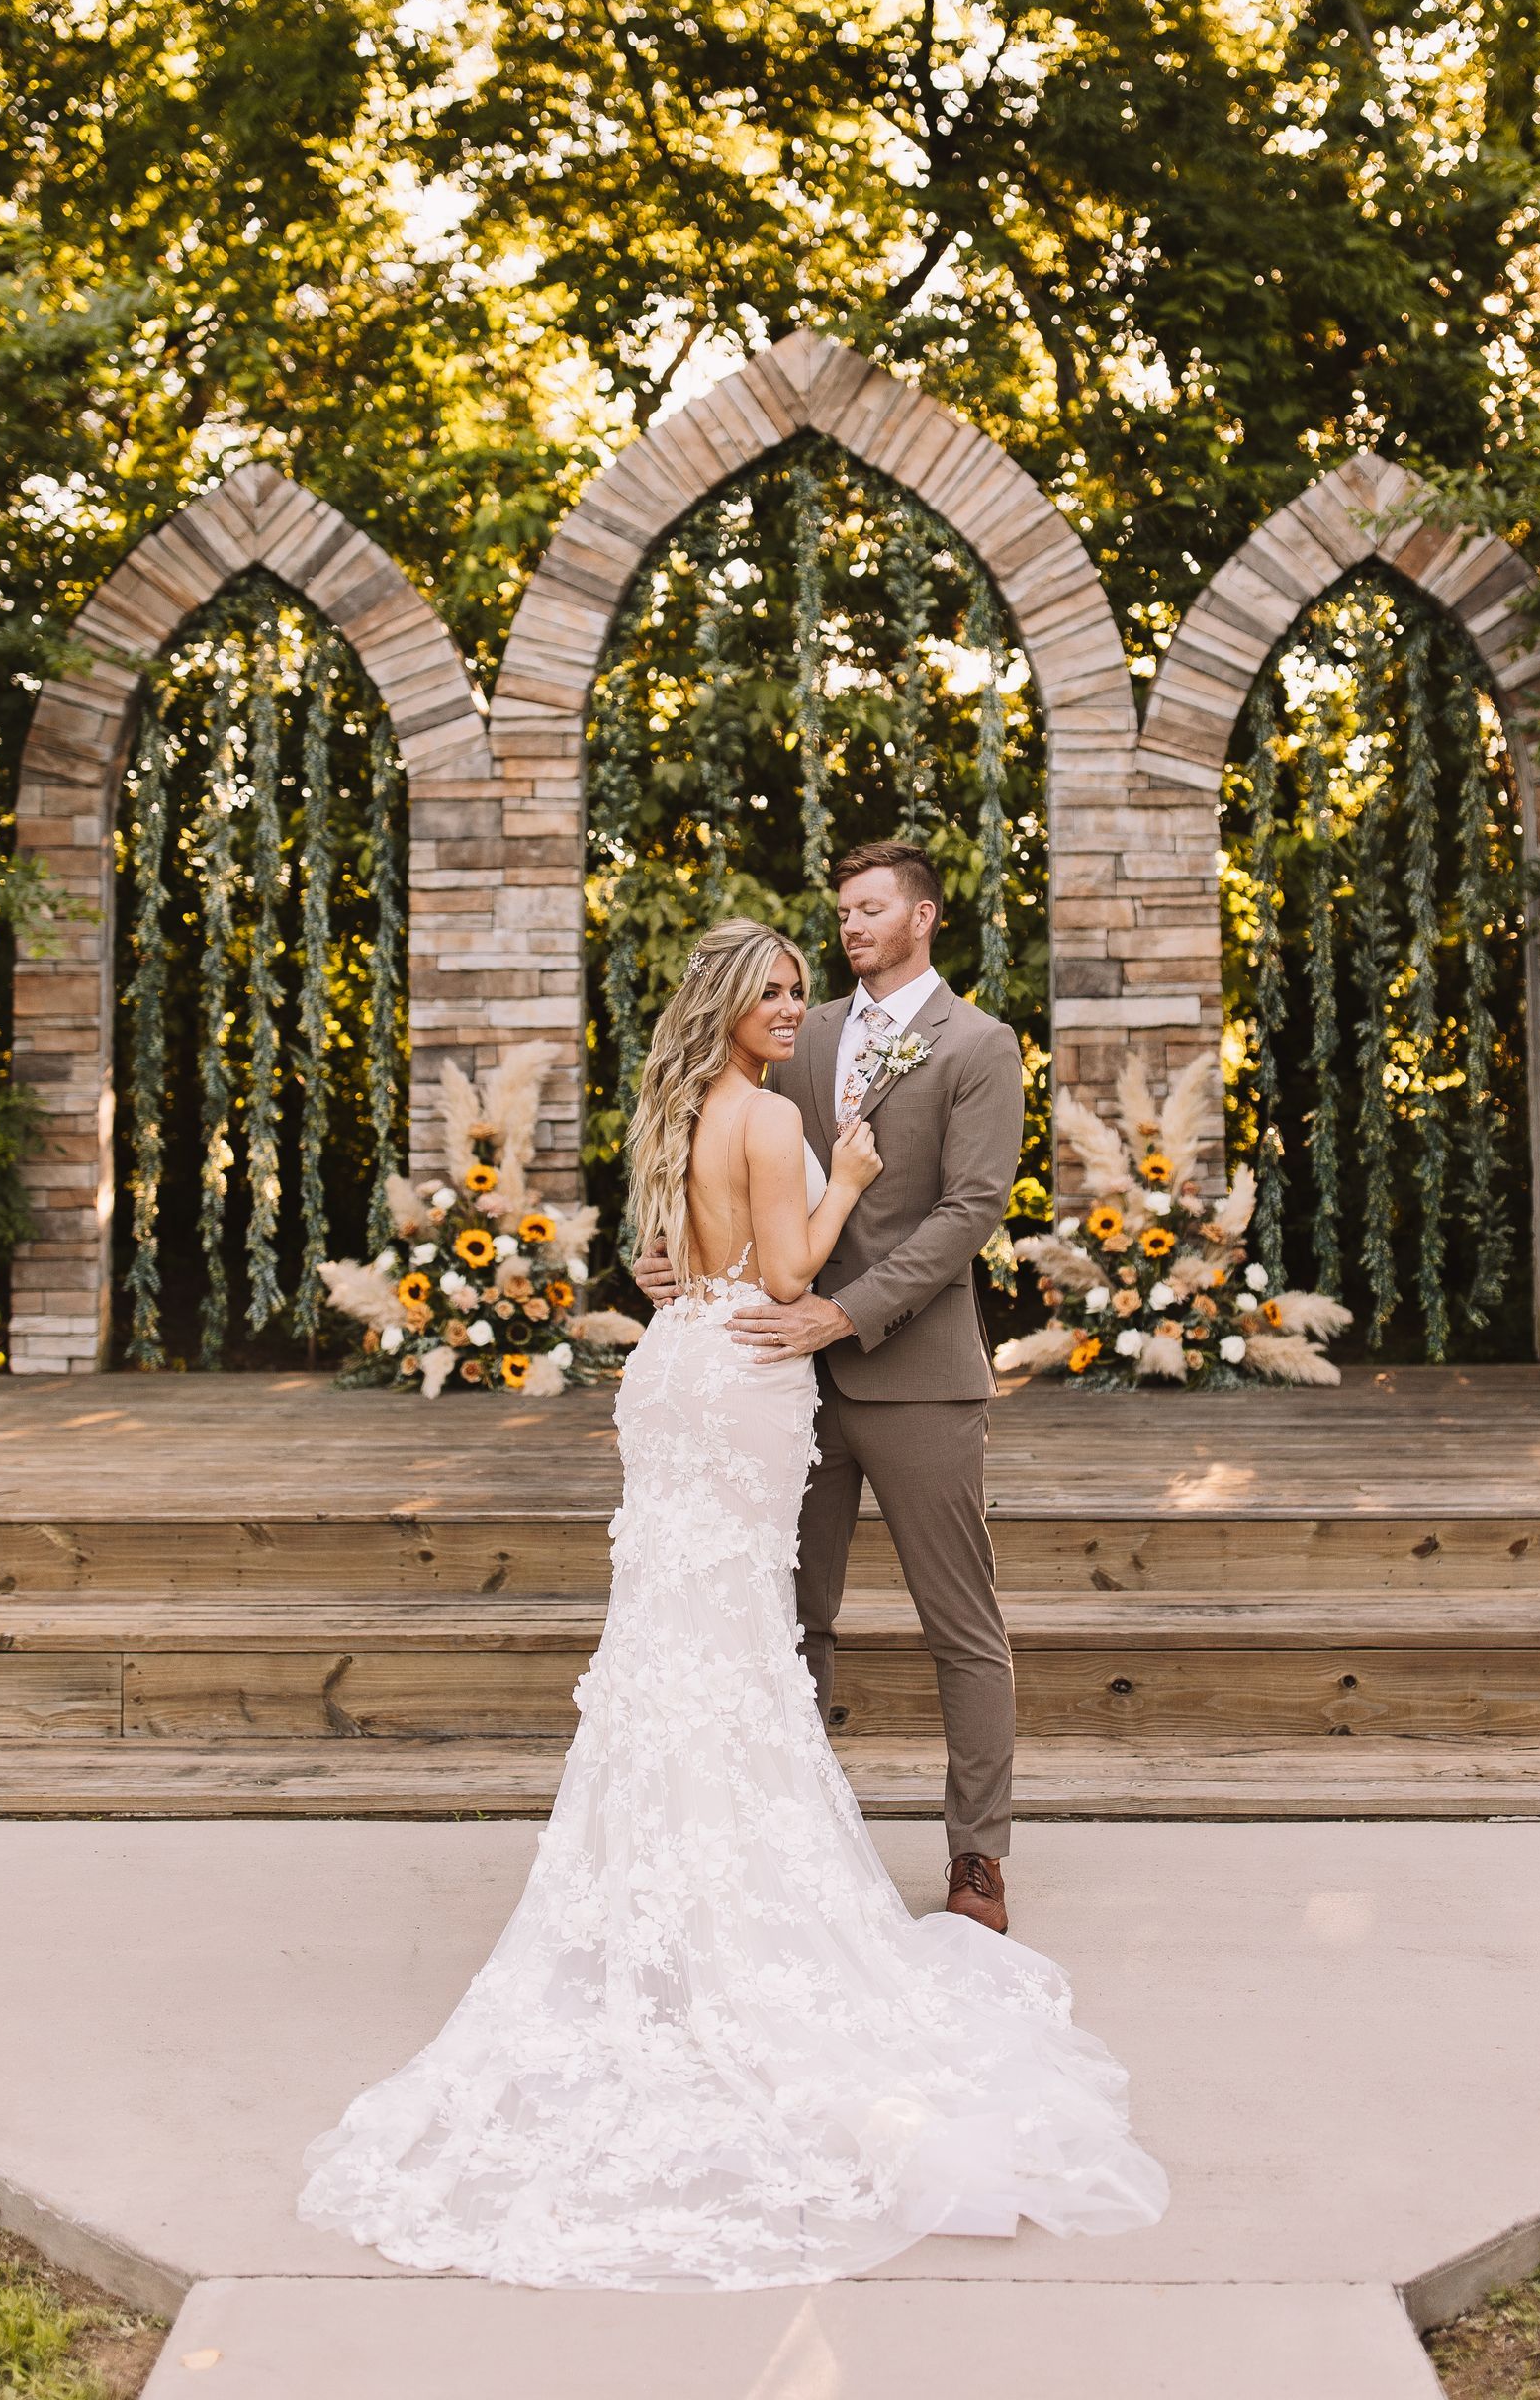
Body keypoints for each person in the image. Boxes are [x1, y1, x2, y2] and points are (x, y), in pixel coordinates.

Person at [298, 916, 1166, 2289]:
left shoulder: (673, 1111)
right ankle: (729, 1912)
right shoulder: (764, 1119)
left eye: (795, 990)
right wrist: (857, 1173)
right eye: (767, 993)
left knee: (681, 1643)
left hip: (676, 1373)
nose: (787, 1007)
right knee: (730, 1643)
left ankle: (663, 1898)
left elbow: (676, 1267)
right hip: (748, 1373)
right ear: (727, 1005)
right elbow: (785, 1277)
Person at [634, 841, 1022, 1932]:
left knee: (961, 1625)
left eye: (870, 910)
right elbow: (710, 1161)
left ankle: (978, 1859)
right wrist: (661, 1256)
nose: (849, 927)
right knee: (787, 1619)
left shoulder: (980, 1047)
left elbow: (968, 1211)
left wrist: (846, 1311)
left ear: (923, 919)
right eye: (842, 912)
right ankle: (785, 1846)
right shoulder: (792, 1037)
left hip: (916, 1376)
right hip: (777, 1380)